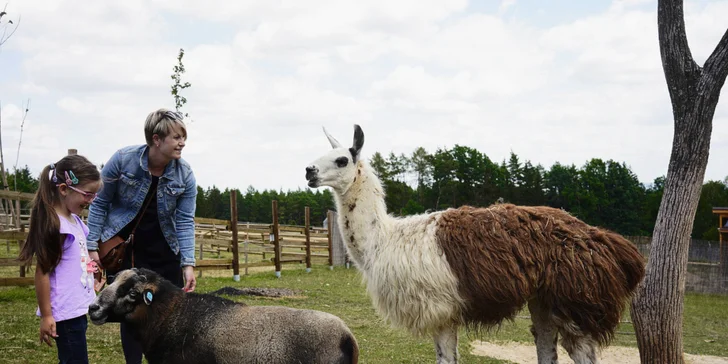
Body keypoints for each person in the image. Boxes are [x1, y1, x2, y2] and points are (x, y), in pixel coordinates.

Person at [86, 108, 198, 364]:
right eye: (176, 137)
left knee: (169, 311)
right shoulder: (123, 159)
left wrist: (188, 263)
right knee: (131, 311)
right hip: (127, 250)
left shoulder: (186, 174)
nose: (182, 143)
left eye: (184, 137)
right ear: (157, 139)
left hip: (165, 249)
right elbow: (100, 202)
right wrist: (92, 246)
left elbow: (184, 220)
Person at [18, 155, 103, 364]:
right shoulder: (57, 228)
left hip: (76, 309)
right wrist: (47, 316)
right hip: (65, 314)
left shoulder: (74, 221)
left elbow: (77, 258)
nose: (91, 201)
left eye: (94, 196)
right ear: (64, 189)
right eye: (87, 194)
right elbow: (42, 273)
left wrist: (91, 277)